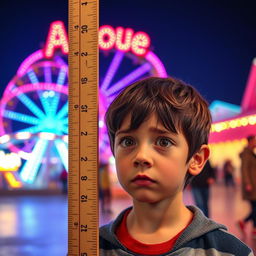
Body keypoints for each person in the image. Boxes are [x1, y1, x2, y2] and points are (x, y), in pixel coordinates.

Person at [99, 77, 253, 256]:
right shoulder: (89, 247)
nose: (141, 156)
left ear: (196, 159)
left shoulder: (230, 251)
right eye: (127, 141)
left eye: (163, 142)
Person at [237, 135, 256, 237]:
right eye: (254, 141)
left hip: (254, 185)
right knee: (255, 207)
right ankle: (244, 222)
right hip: (251, 186)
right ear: (249, 142)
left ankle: (253, 228)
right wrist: (248, 183)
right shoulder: (246, 154)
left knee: (254, 207)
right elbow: (244, 170)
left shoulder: (252, 153)